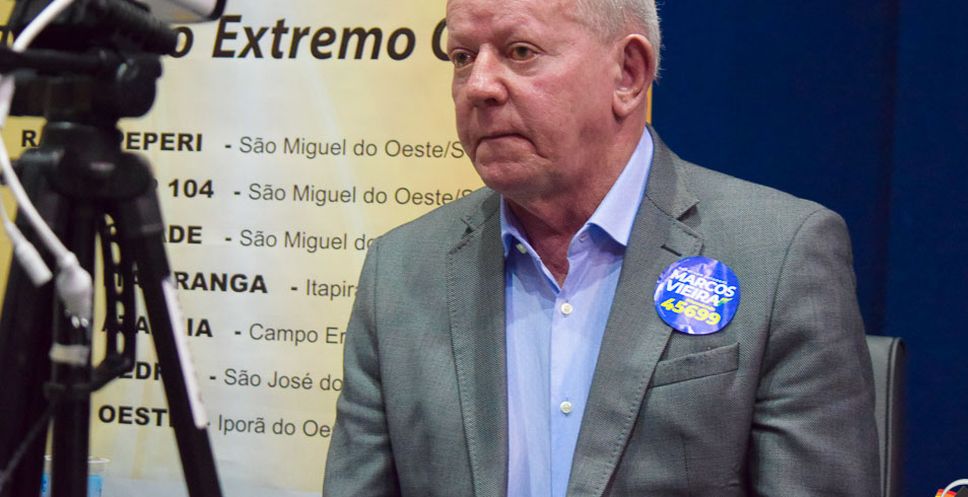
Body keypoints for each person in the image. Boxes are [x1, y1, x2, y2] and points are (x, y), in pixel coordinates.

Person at [323, 0, 880, 495]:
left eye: (520, 52)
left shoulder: (779, 256)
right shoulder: (399, 272)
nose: (478, 86)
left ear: (628, 73)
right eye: (463, 57)